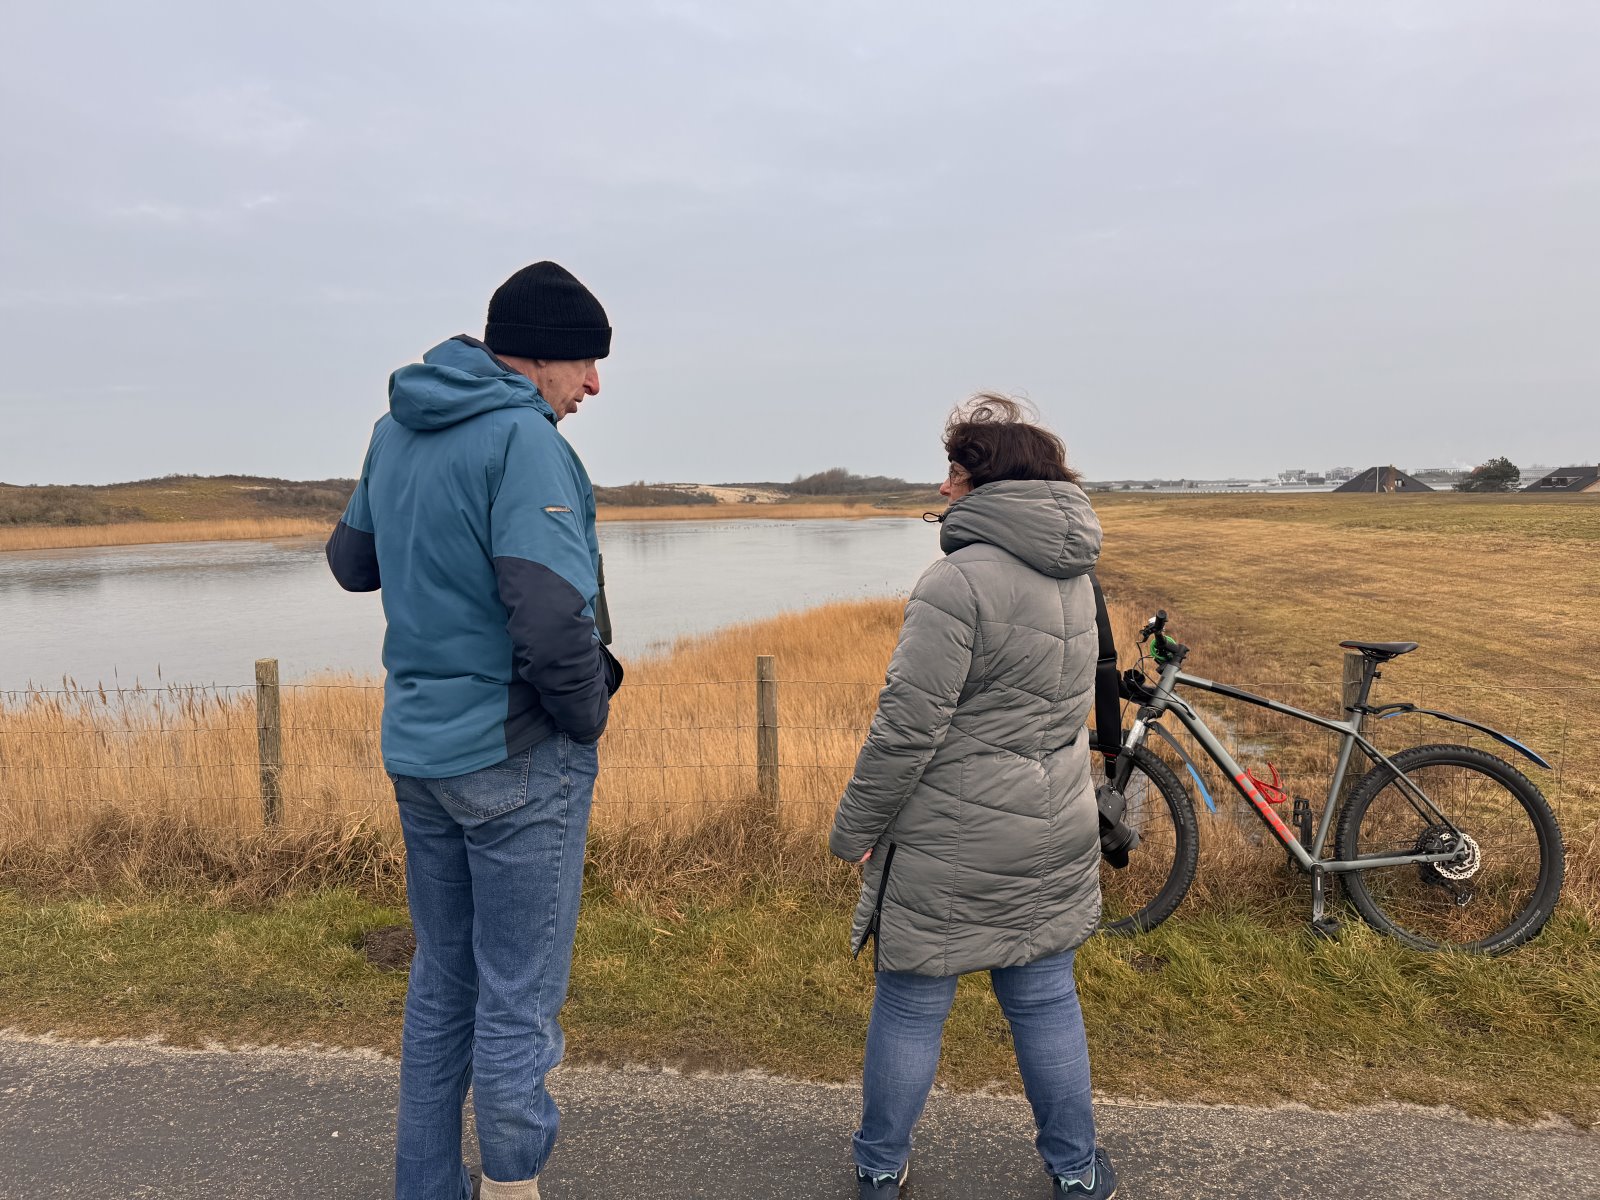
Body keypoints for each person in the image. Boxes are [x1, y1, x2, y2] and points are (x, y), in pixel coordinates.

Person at [327, 261, 623, 1200]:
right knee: (517, 1005)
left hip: (420, 750)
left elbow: (350, 562)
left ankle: (427, 1186)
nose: (594, 385)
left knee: (442, 985)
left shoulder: (396, 430)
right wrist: (587, 724)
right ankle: (510, 1190)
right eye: (584, 363)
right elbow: (549, 619)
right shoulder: (521, 441)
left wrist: (431, 536)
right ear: (536, 358)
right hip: (518, 755)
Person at [830, 395, 1117, 1199]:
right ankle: (1078, 1170)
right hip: (1054, 822)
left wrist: (855, 826)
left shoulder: (956, 583)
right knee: (1045, 999)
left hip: (952, 836)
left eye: (955, 471)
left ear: (983, 482)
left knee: (913, 1005)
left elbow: (904, 729)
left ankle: (882, 1165)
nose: (945, 488)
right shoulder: (1078, 574)